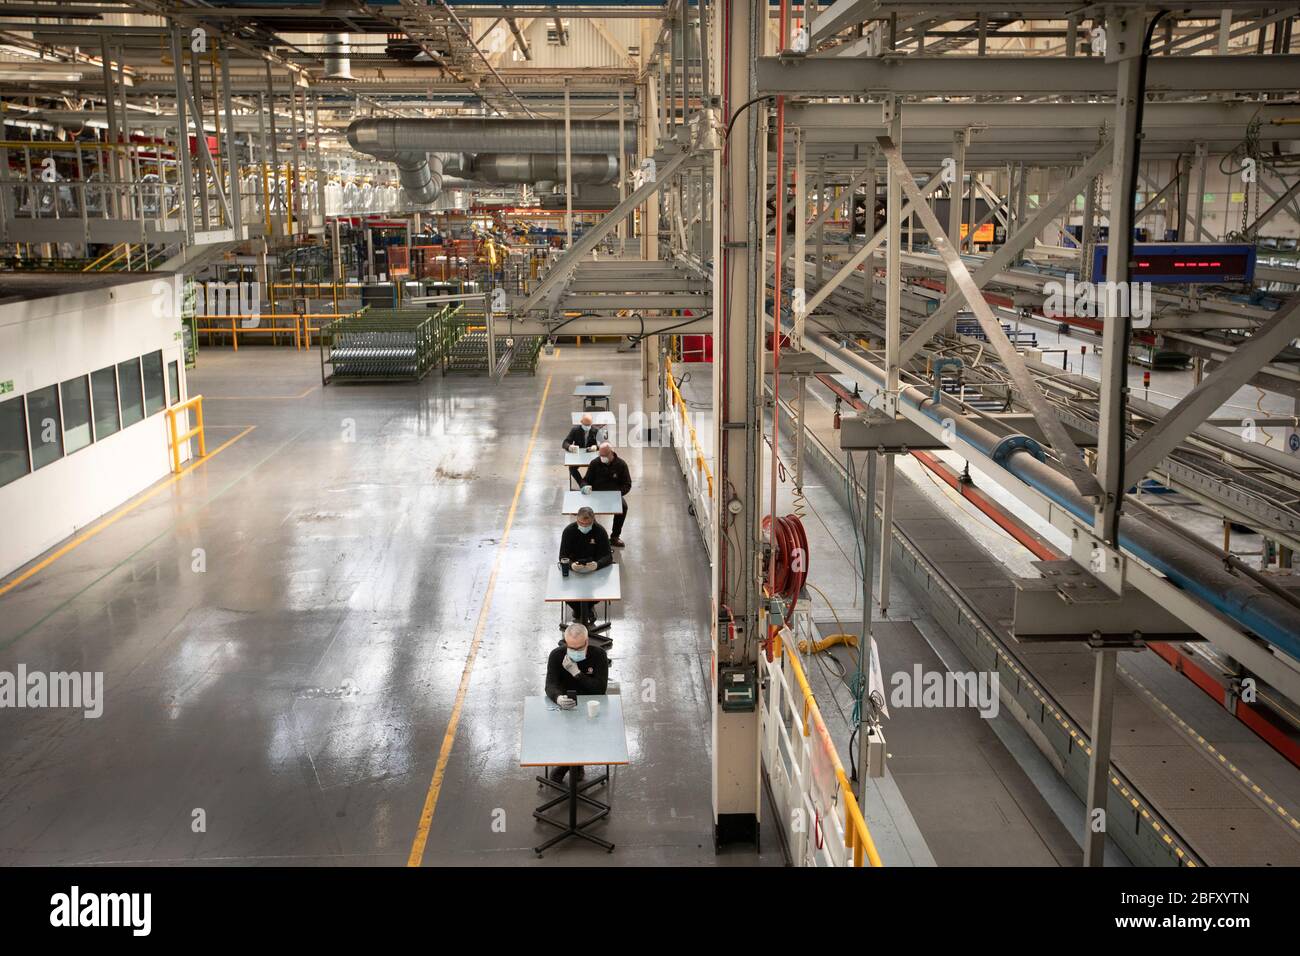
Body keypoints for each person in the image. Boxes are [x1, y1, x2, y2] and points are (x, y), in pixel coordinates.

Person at [545, 623, 610, 783]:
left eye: (579, 647)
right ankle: (575, 764)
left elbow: (599, 690)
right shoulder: (556, 655)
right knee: (565, 735)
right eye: (571, 648)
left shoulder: (599, 655)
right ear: (565, 642)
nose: (575, 652)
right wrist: (558, 698)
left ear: (587, 641)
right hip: (564, 707)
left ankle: (570, 765)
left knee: (585, 734)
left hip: (590, 705)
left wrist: (577, 673)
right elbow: (550, 684)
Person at [558, 506, 613, 626]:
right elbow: (562, 556)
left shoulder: (600, 531)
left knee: (601, 590)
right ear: (576, 520)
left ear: (593, 521)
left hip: (594, 571)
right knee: (565, 591)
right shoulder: (569, 531)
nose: (584, 526)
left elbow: (608, 556)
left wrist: (597, 565)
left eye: (587, 524)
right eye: (581, 523)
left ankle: (586, 609)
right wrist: (572, 565)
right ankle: (582, 610)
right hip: (574, 570)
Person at [581, 441, 631, 547]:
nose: (601, 457)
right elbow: (585, 480)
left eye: (604, 455)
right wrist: (585, 486)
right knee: (586, 509)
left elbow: (627, 484)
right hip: (596, 495)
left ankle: (615, 537)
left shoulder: (621, 465)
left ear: (611, 453)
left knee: (623, 507)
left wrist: (617, 493)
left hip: (614, 495)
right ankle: (593, 535)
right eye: (600, 455)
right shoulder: (594, 463)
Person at [562, 413, 605, 484]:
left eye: (589, 425)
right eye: (585, 425)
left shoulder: (595, 431)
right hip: (578, 456)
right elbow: (565, 443)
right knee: (572, 468)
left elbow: (604, 443)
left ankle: (594, 484)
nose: (587, 427)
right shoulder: (575, 430)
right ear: (581, 422)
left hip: (592, 457)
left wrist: (596, 447)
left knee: (600, 467)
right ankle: (582, 484)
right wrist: (570, 447)